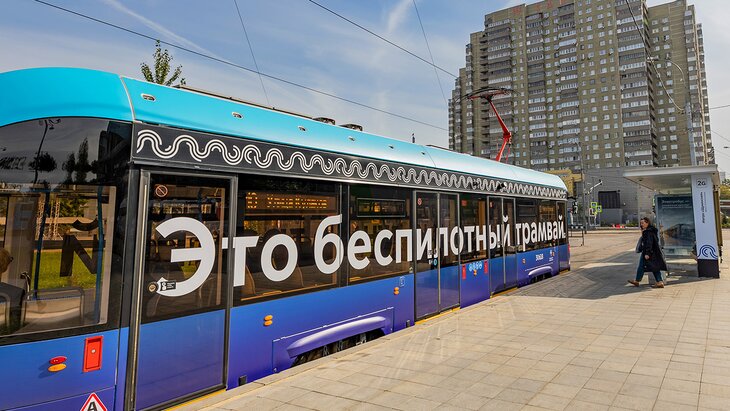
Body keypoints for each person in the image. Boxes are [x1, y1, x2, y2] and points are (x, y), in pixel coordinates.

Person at [628, 217, 667, 288]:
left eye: (643, 223)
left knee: (641, 266)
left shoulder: (648, 232)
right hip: (653, 252)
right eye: (641, 223)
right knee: (654, 267)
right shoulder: (652, 231)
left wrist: (647, 253)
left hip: (648, 252)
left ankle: (637, 281)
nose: (641, 224)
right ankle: (660, 282)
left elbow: (649, 243)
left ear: (647, 223)